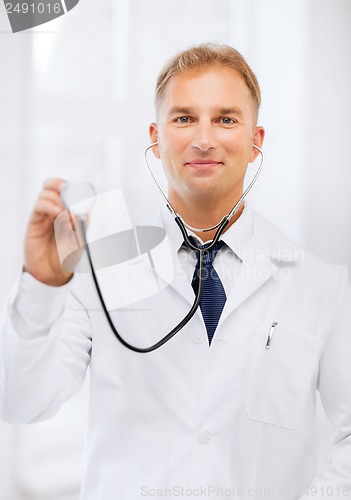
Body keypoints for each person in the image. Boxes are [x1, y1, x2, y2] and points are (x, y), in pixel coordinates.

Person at [1, 44, 351, 500]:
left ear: (255, 141)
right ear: (156, 136)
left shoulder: (322, 285)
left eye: (226, 119)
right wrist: (43, 285)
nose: (204, 138)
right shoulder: (102, 261)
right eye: (183, 118)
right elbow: (22, 401)